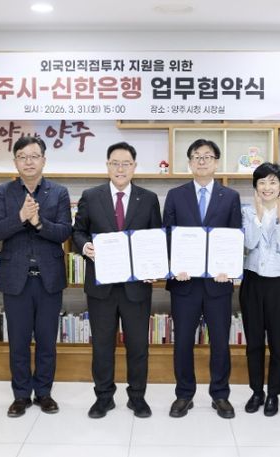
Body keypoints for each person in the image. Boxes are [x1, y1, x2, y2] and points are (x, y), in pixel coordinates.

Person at [72, 142, 162, 419]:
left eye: (126, 163)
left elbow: (156, 238)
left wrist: (154, 265)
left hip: (136, 287)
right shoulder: (91, 196)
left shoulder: (148, 198)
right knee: (102, 346)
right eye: (115, 163)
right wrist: (85, 246)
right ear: (107, 165)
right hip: (102, 287)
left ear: (134, 167)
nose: (120, 168)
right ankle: (104, 398)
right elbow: (78, 232)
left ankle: (137, 397)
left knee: (138, 346)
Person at [0, 136, 72, 417]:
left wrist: (38, 222)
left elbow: (64, 232)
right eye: (22, 156)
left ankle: (44, 393)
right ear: (15, 161)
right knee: (19, 342)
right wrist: (21, 217)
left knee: (47, 341)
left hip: (48, 278)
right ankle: (21, 395)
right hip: (16, 279)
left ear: (44, 160)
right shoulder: (3, 192)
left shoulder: (59, 192)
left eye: (34, 156)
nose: (29, 161)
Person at [163, 139, 242, 419]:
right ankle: (184, 394)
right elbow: (168, 235)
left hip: (218, 283)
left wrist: (229, 269)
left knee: (220, 342)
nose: (202, 161)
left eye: (208, 156)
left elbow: (235, 236)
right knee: (183, 341)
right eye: (196, 156)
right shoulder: (175, 195)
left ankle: (220, 394)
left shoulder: (230, 196)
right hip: (184, 283)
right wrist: (174, 265)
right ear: (189, 163)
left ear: (216, 162)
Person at [240, 162, 280, 417]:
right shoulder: (246, 212)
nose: (267, 187)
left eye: (273, 182)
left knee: (278, 343)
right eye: (262, 182)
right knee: (254, 342)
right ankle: (257, 391)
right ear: (255, 186)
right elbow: (250, 243)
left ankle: (274, 393)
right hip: (253, 281)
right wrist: (257, 216)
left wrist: (279, 217)